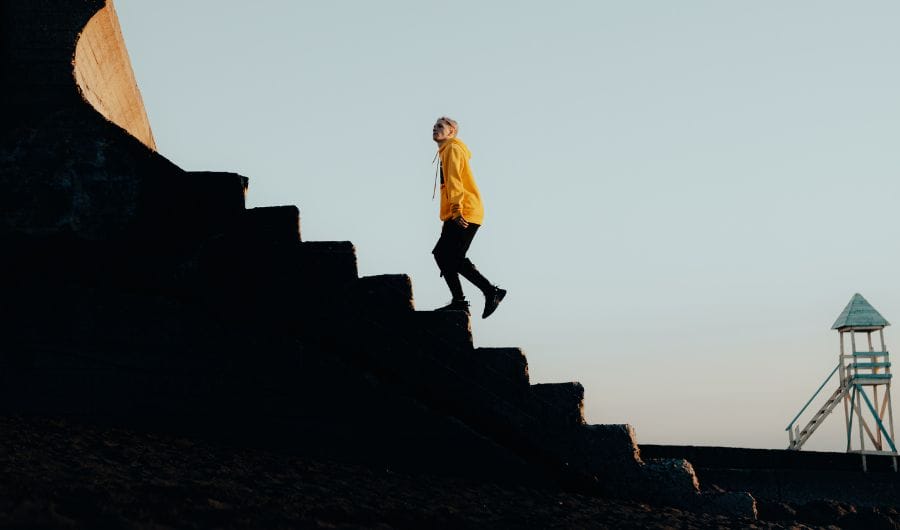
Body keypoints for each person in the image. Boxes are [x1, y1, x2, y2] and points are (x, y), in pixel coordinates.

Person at [431, 116, 506, 318]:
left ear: (451, 132)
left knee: (451, 257)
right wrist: (448, 216)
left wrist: (456, 210)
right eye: (434, 126)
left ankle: (488, 292)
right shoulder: (446, 151)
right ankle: (466, 299)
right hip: (457, 212)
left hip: (465, 211)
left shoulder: (453, 149)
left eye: (440, 126)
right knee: (443, 254)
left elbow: (455, 181)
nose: (435, 128)